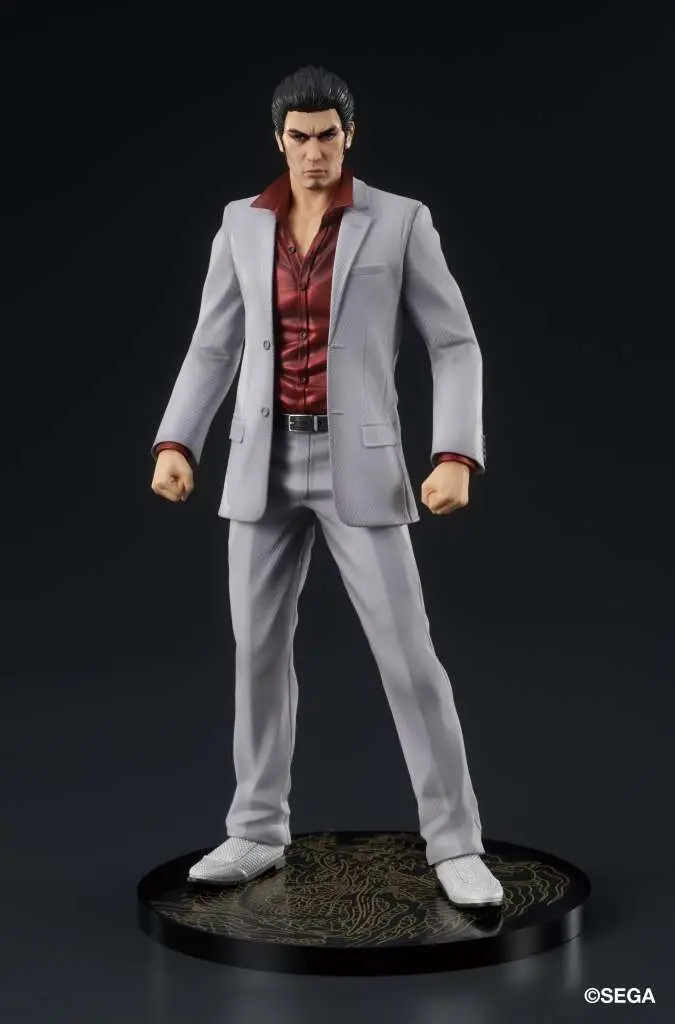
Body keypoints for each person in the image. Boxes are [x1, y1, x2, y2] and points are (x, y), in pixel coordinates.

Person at [150, 65, 502, 907]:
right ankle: (255, 826)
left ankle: (455, 841)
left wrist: (454, 452)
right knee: (257, 654)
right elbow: (212, 344)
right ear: (278, 140)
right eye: (300, 137)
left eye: (328, 136)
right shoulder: (241, 224)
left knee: (408, 657)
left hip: (361, 464)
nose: (314, 152)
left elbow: (453, 344)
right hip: (262, 461)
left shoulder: (400, 221)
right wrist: (176, 439)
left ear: (350, 136)